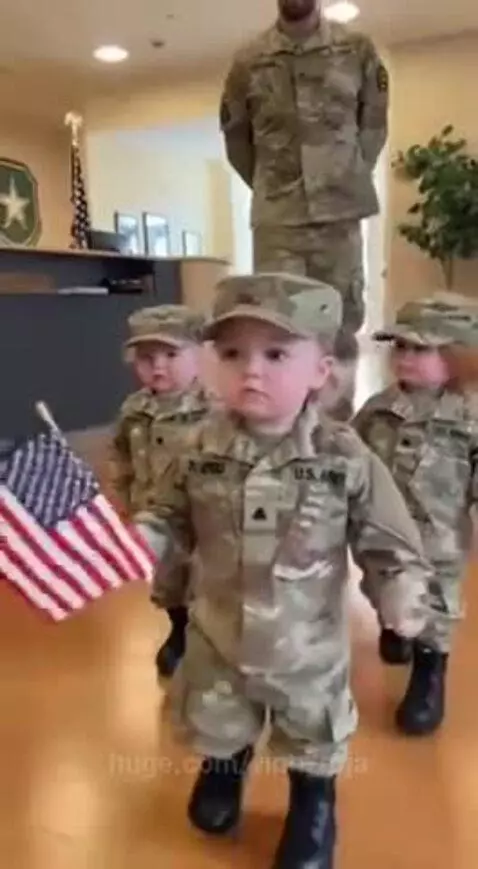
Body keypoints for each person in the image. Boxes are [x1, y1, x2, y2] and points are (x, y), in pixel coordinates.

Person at [135, 272, 435, 869]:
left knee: (310, 730)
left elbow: (386, 538)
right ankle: (224, 770)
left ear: (320, 371)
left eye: (276, 355)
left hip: (306, 643)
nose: (252, 371)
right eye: (232, 354)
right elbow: (166, 512)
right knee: (220, 715)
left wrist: (400, 590)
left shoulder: (342, 456)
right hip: (220, 631)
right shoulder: (196, 447)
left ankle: (313, 802)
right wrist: (145, 538)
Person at [219, 0, 389, 419]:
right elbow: (237, 139)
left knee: (340, 323)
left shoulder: (357, 49)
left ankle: (335, 430)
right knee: (277, 324)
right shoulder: (248, 61)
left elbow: (373, 125)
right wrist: (274, 186)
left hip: (339, 216)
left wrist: (342, 177)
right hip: (279, 219)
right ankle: (282, 429)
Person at [353, 293, 478, 736]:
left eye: (420, 349)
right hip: (381, 532)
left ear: (458, 354)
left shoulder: (469, 415)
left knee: (437, 603)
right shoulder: (378, 408)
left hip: (439, 537)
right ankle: (394, 624)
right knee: (379, 583)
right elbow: (352, 457)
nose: (404, 357)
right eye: (400, 346)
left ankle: (429, 672)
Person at [109, 305, 208, 678]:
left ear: (199, 354)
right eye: (146, 358)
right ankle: (179, 629)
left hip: (200, 523)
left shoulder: (214, 410)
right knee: (168, 582)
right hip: (151, 516)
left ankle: (209, 641)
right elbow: (121, 455)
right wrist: (123, 501)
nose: (158, 367)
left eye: (171, 354)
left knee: (206, 584)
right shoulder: (135, 408)